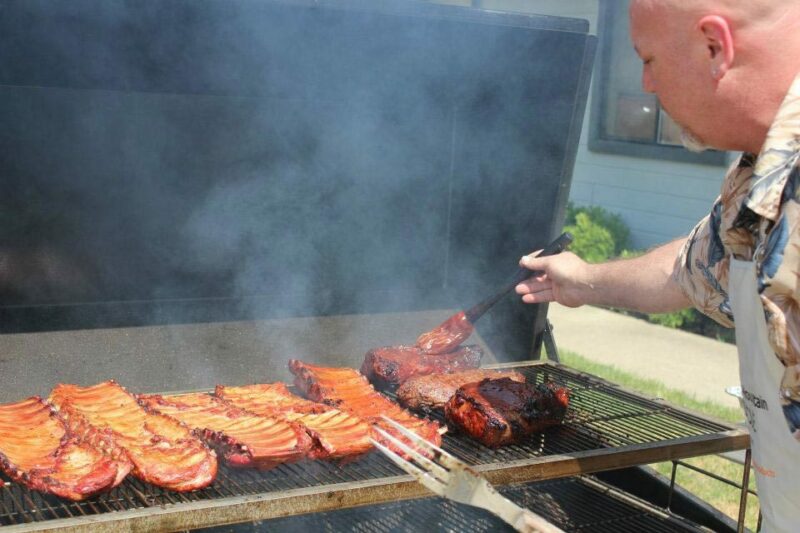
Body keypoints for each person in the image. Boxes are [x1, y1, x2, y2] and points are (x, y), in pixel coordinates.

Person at [515, 1, 800, 531]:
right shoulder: (764, 171)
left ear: (715, 46)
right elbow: (691, 270)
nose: (645, 84)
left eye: (648, 60)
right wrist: (587, 280)